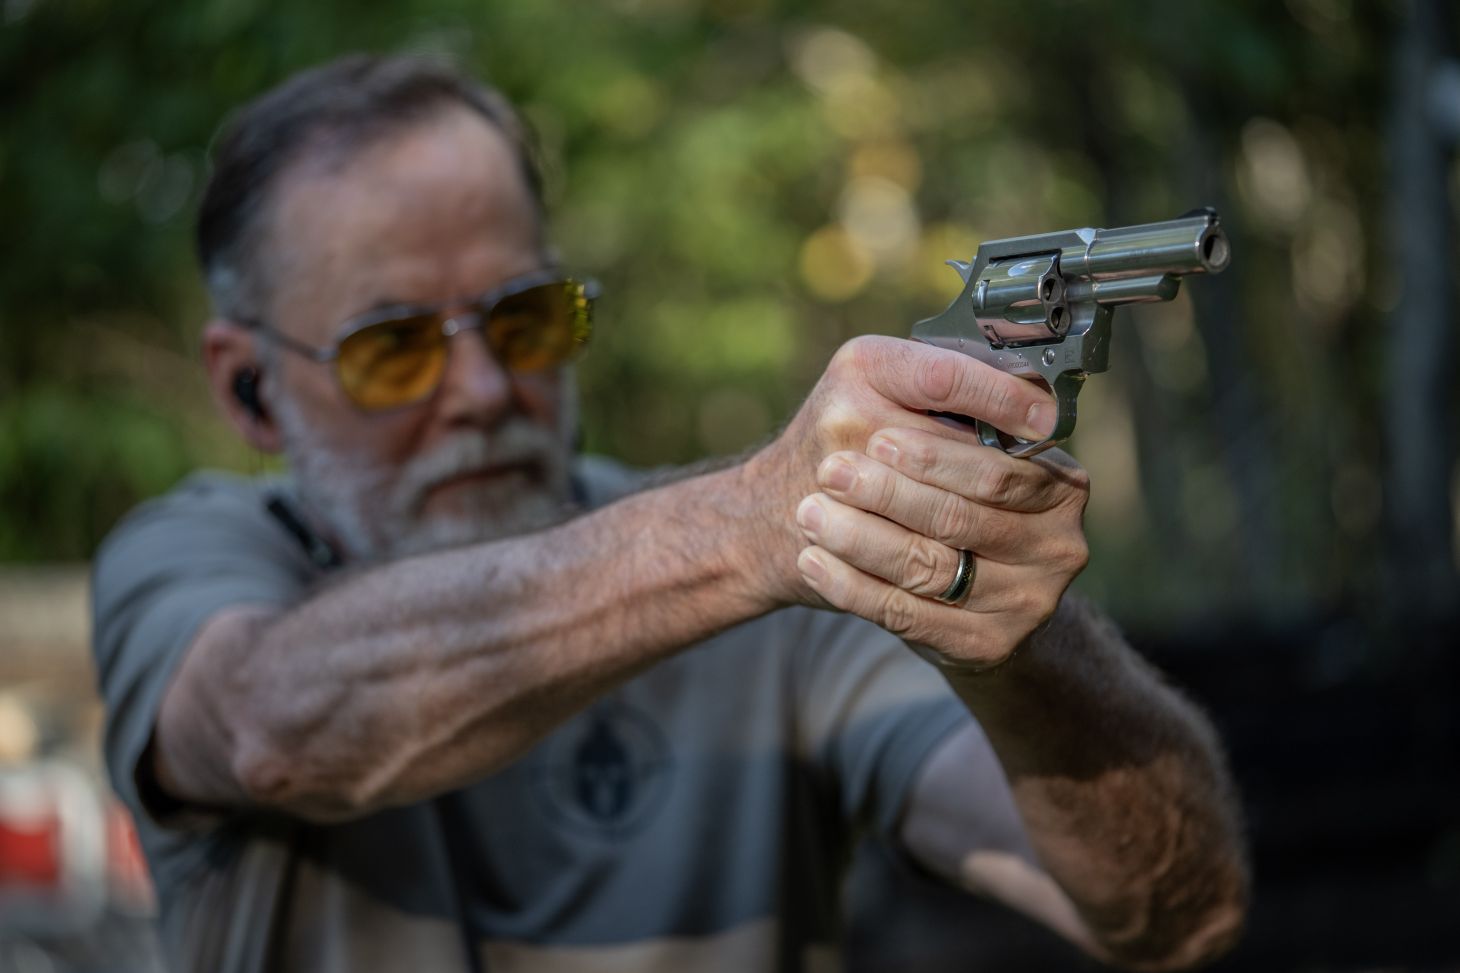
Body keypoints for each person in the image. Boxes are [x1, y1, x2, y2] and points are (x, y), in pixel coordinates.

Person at [91, 54, 1248, 973]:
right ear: (246, 385)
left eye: (527, 319)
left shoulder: (800, 562)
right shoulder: (195, 555)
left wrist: (1005, 621)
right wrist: (746, 528)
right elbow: (268, 728)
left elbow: (1173, 915)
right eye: (392, 352)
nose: (487, 391)